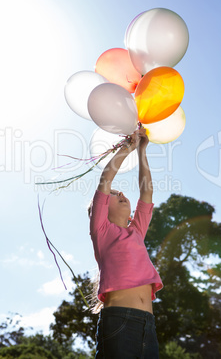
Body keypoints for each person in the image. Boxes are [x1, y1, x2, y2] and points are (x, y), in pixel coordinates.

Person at [89, 127, 163, 358]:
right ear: (100, 210)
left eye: (120, 192)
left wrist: (142, 151)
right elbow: (105, 179)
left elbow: (146, 193)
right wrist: (126, 149)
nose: (120, 193)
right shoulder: (101, 231)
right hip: (119, 322)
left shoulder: (136, 232)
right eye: (113, 194)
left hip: (147, 325)